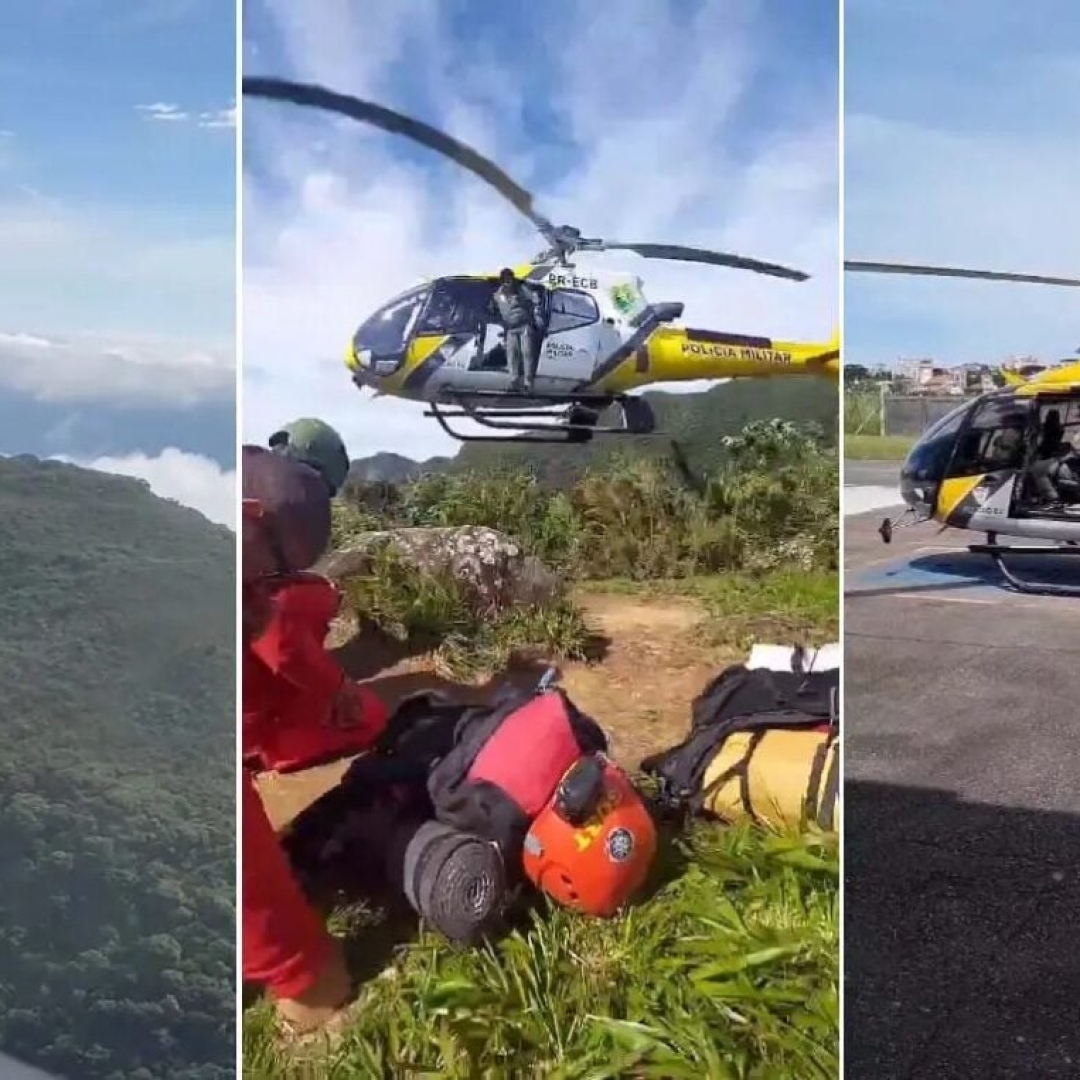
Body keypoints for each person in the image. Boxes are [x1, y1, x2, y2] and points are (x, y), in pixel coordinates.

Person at [487, 268, 544, 393]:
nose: (508, 282)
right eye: (505, 280)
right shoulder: (497, 295)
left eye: (510, 280)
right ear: (502, 281)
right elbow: (492, 309)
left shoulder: (521, 290)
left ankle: (528, 383)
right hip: (510, 329)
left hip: (524, 326)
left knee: (527, 353)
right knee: (512, 355)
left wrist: (536, 315)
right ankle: (514, 381)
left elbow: (535, 299)